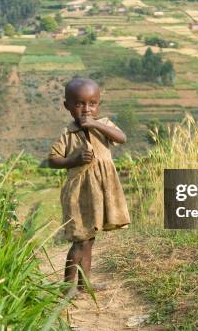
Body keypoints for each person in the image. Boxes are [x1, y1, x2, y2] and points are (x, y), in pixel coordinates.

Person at [48, 77, 130, 296]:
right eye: (79, 104)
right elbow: (52, 160)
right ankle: (67, 287)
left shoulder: (103, 127)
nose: (86, 109)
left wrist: (95, 124)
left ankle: (84, 284)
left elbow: (122, 138)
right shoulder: (67, 135)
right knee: (79, 240)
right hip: (77, 195)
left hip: (98, 193)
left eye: (92, 104)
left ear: (98, 104)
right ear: (67, 106)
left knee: (89, 240)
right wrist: (73, 160)